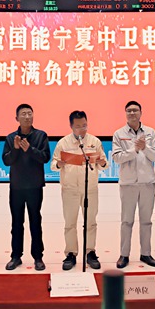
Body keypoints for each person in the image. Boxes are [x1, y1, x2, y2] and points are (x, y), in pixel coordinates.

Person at [52, 110, 107, 270]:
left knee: (91, 222)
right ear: (71, 126)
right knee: (70, 223)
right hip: (70, 189)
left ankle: (90, 252)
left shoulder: (94, 141)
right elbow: (53, 165)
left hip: (90, 188)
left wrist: (102, 162)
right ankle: (71, 253)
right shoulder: (63, 143)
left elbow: (104, 164)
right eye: (78, 126)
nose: (82, 129)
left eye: (84, 125)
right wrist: (59, 164)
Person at [112, 101, 155, 269]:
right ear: (125, 113)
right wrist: (134, 150)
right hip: (128, 184)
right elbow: (117, 158)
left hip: (147, 183)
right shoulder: (119, 134)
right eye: (129, 110)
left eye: (135, 110)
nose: (132, 113)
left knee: (146, 221)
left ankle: (146, 253)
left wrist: (145, 148)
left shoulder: (150, 132)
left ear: (141, 112)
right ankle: (124, 254)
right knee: (126, 221)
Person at [2, 104, 50, 271]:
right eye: (23, 114)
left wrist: (30, 149)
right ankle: (16, 256)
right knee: (16, 222)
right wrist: (16, 149)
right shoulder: (10, 138)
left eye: (30, 113)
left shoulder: (41, 136)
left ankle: (38, 257)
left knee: (35, 221)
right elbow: (6, 160)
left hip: (35, 186)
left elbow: (45, 157)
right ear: (17, 118)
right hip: (16, 187)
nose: (27, 117)